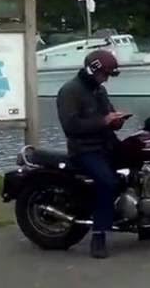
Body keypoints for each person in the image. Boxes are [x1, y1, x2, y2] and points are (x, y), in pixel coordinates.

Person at [56, 49, 132, 259]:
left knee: (138, 163)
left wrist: (116, 119)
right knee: (107, 182)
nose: (106, 79)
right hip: (85, 150)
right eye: (105, 74)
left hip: (106, 145)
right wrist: (104, 121)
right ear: (92, 70)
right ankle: (98, 236)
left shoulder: (99, 90)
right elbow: (70, 126)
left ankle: (148, 223)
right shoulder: (70, 91)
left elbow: (108, 115)